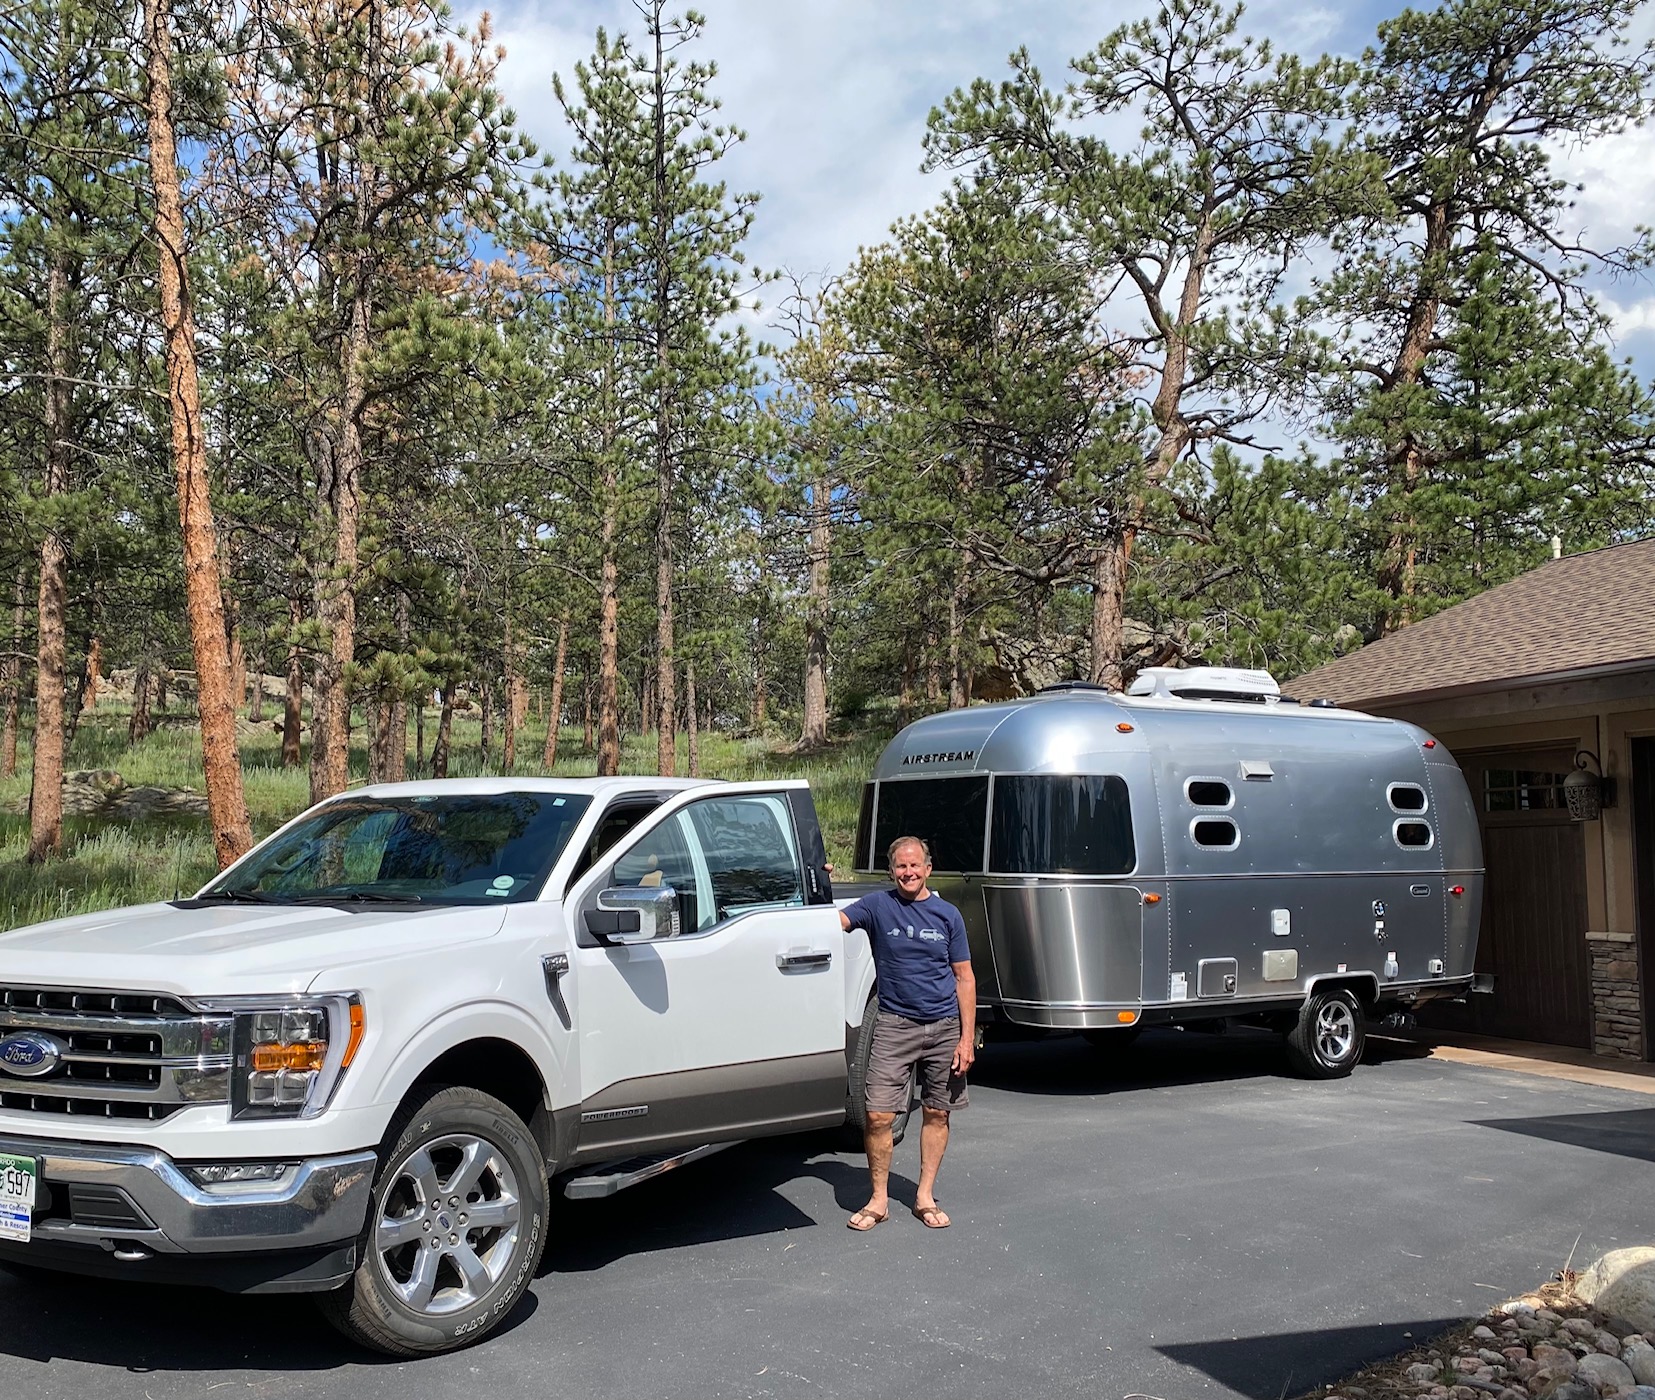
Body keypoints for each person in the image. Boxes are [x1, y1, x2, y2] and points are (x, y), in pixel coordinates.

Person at [839, 835, 976, 1230]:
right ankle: (878, 1200)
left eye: (915, 865)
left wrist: (966, 1039)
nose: (909, 872)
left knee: (937, 1111)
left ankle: (924, 1196)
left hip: (945, 1026)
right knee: (878, 1115)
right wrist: (817, 880)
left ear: (928, 869)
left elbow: (964, 978)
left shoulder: (947, 915)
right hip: (894, 1025)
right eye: (901, 866)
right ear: (891, 871)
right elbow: (835, 922)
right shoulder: (876, 907)